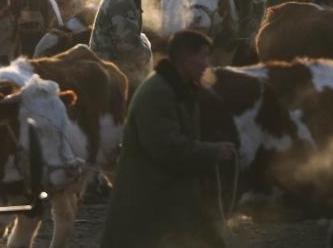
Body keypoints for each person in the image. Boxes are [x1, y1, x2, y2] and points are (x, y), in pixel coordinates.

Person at [101, 30, 235, 248]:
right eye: (202, 57)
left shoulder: (178, 89)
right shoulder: (158, 93)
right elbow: (168, 149)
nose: (206, 64)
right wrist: (212, 152)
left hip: (166, 200)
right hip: (149, 205)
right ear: (184, 58)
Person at [90, 0, 154, 90]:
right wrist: (148, 52)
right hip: (110, 77)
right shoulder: (121, 2)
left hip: (112, 71)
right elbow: (129, 47)